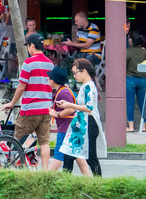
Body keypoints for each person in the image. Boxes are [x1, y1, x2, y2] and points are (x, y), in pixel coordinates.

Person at [8, 32, 57, 170]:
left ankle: (19, 168)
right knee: (44, 142)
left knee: (18, 139)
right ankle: (45, 171)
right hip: (46, 109)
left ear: (32, 46)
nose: (28, 49)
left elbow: (21, 87)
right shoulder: (50, 64)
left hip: (30, 109)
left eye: (28, 46)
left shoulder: (28, 63)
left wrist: (12, 102)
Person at [61, 57, 104, 177]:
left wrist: (70, 105)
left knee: (90, 157)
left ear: (84, 71)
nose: (74, 76)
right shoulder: (86, 86)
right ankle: (65, 183)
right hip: (81, 124)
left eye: (75, 73)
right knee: (68, 154)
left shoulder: (89, 87)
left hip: (87, 124)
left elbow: (88, 107)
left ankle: (99, 183)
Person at [126, 31, 146, 132]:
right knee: (142, 103)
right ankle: (143, 126)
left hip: (130, 79)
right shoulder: (144, 52)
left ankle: (131, 126)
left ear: (131, 40)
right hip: (142, 80)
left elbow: (124, 63)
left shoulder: (128, 52)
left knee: (130, 103)